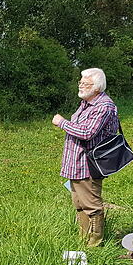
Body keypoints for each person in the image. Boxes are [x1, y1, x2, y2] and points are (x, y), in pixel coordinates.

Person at [51, 68, 119, 247]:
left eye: (85, 83)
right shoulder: (87, 103)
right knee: (80, 204)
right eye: (80, 82)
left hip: (89, 165)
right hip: (76, 163)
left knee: (92, 206)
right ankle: (84, 240)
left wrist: (62, 123)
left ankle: (95, 245)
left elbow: (87, 132)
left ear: (96, 87)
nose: (80, 85)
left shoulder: (104, 106)